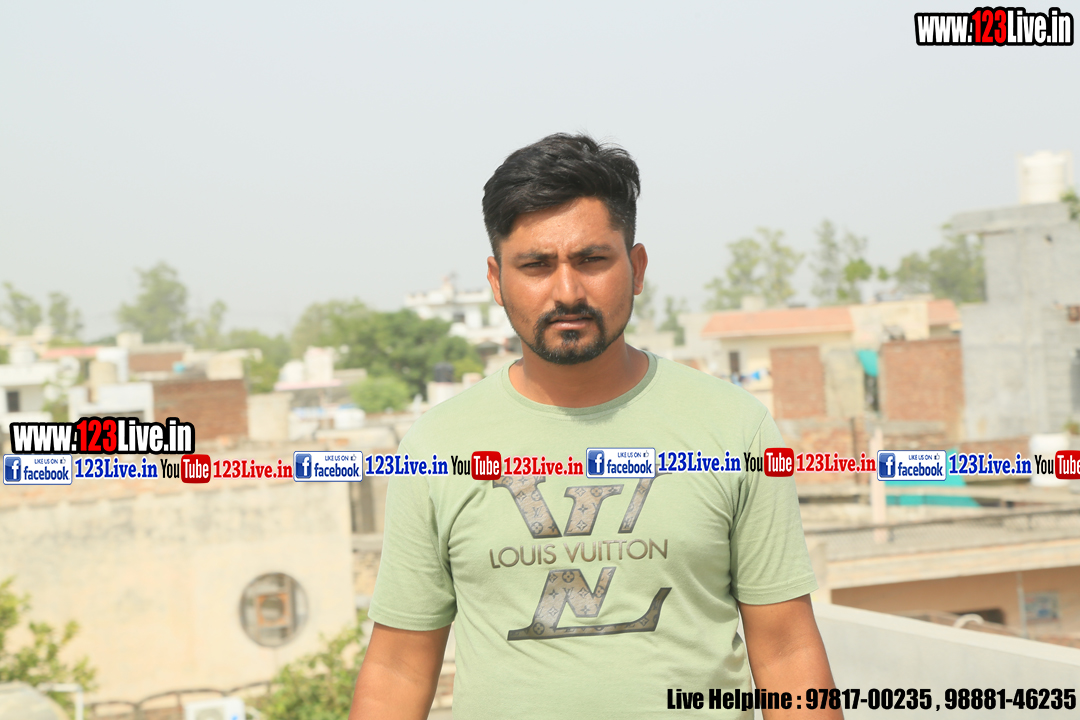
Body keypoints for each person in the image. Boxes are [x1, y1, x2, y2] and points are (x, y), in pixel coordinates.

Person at [350, 134, 841, 719]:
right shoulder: (437, 447)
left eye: (591, 260)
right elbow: (398, 667)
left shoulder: (736, 430)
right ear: (496, 280)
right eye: (536, 265)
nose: (567, 292)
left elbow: (786, 649)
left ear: (636, 268)